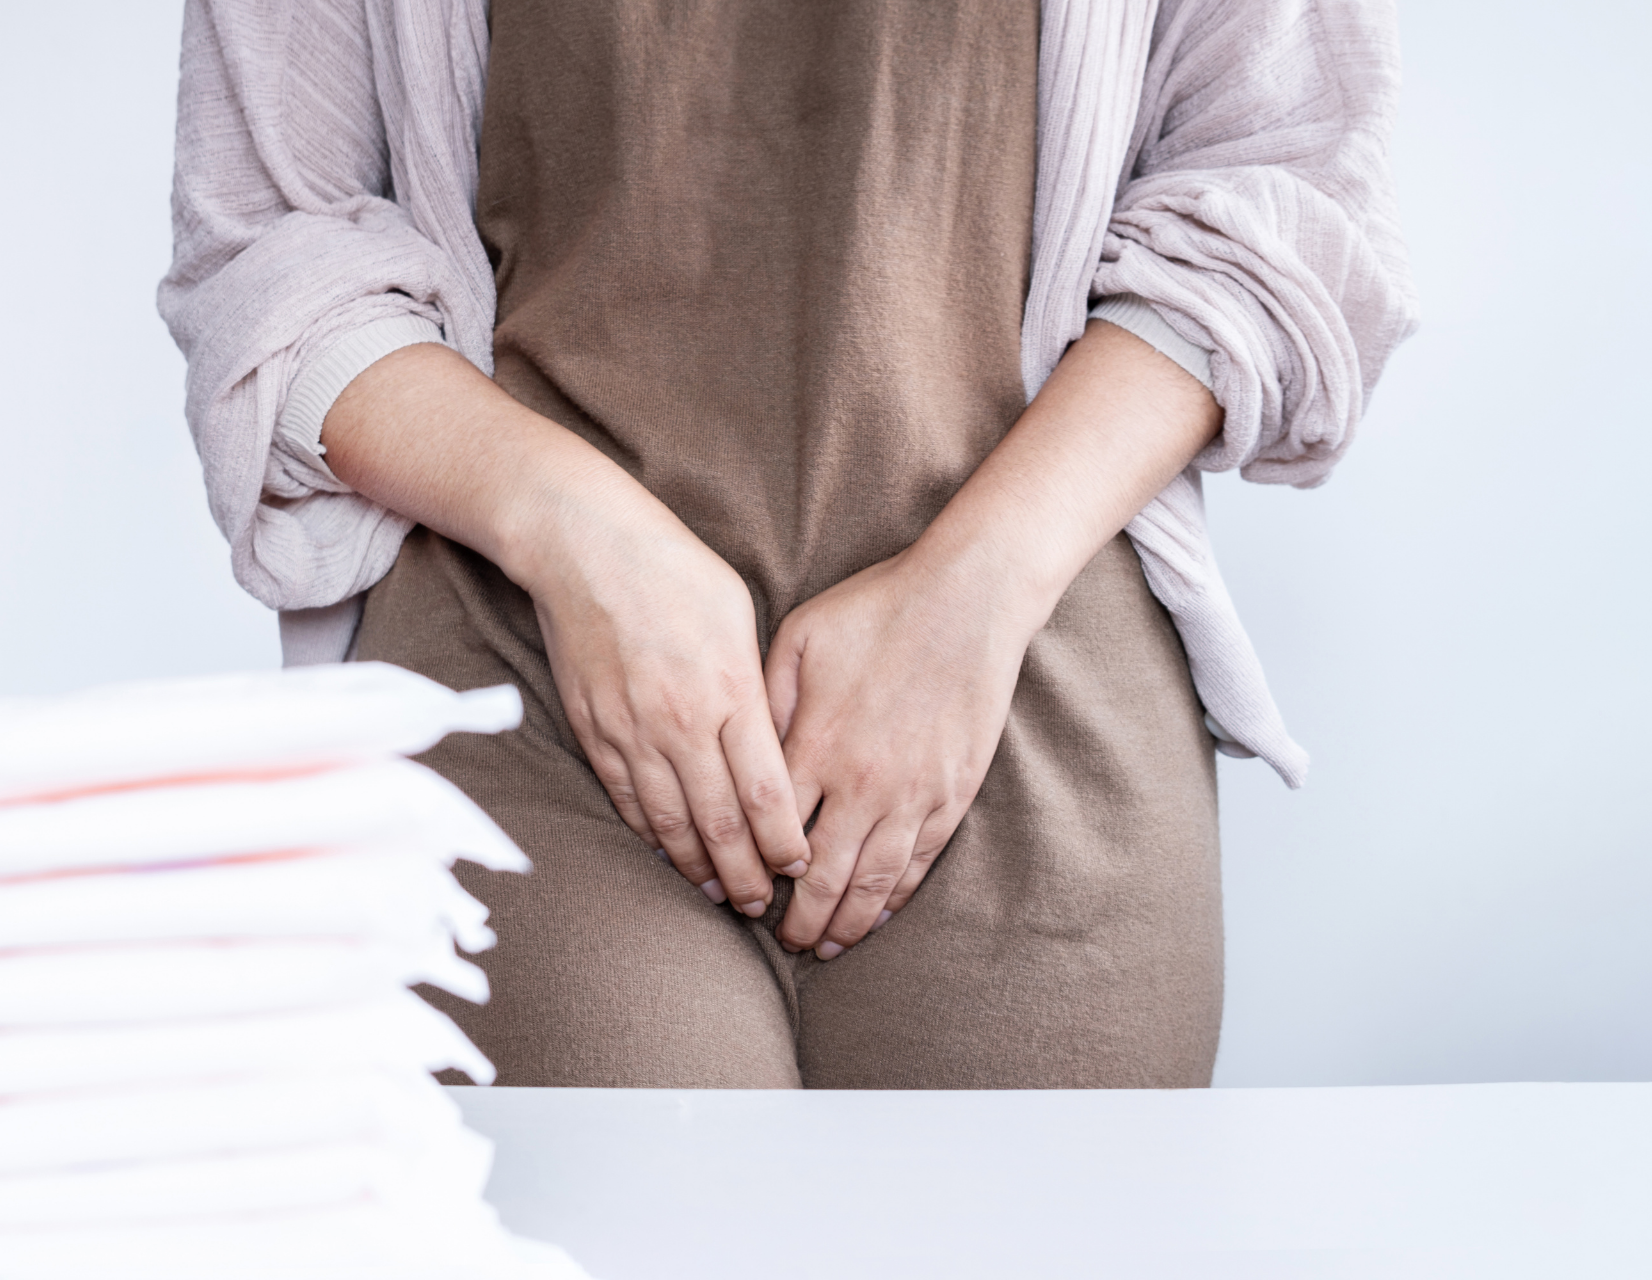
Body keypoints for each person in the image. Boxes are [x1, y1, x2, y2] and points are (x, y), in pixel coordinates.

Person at [161, 0, 1415, 1089]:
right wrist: (576, 535)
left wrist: (977, 586)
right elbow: (270, 238)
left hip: (1032, 673)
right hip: (527, 667)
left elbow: (1289, 185)